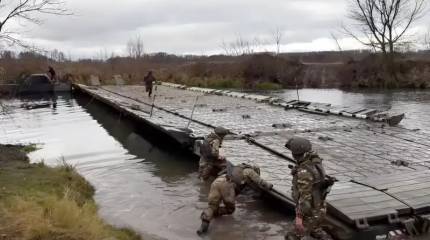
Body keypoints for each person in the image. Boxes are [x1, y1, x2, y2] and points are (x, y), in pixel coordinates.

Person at [197, 162, 273, 235]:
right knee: (230, 209)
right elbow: (259, 181)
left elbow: (225, 172)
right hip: (227, 185)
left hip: (218, 181)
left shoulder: (239, 167)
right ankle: (216, 213)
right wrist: (269, 185)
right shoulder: (250, 171)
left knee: (212, 206)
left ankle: (203, 226)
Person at [285, 137, 335, 240]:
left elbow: (304, 201)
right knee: (315, 229)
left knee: (291, 236)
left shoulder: (304, 172)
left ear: (295, 154)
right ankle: (317, 231)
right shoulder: (315, 161)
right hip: (320, 206)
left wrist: (299, 220)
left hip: (311, 211)